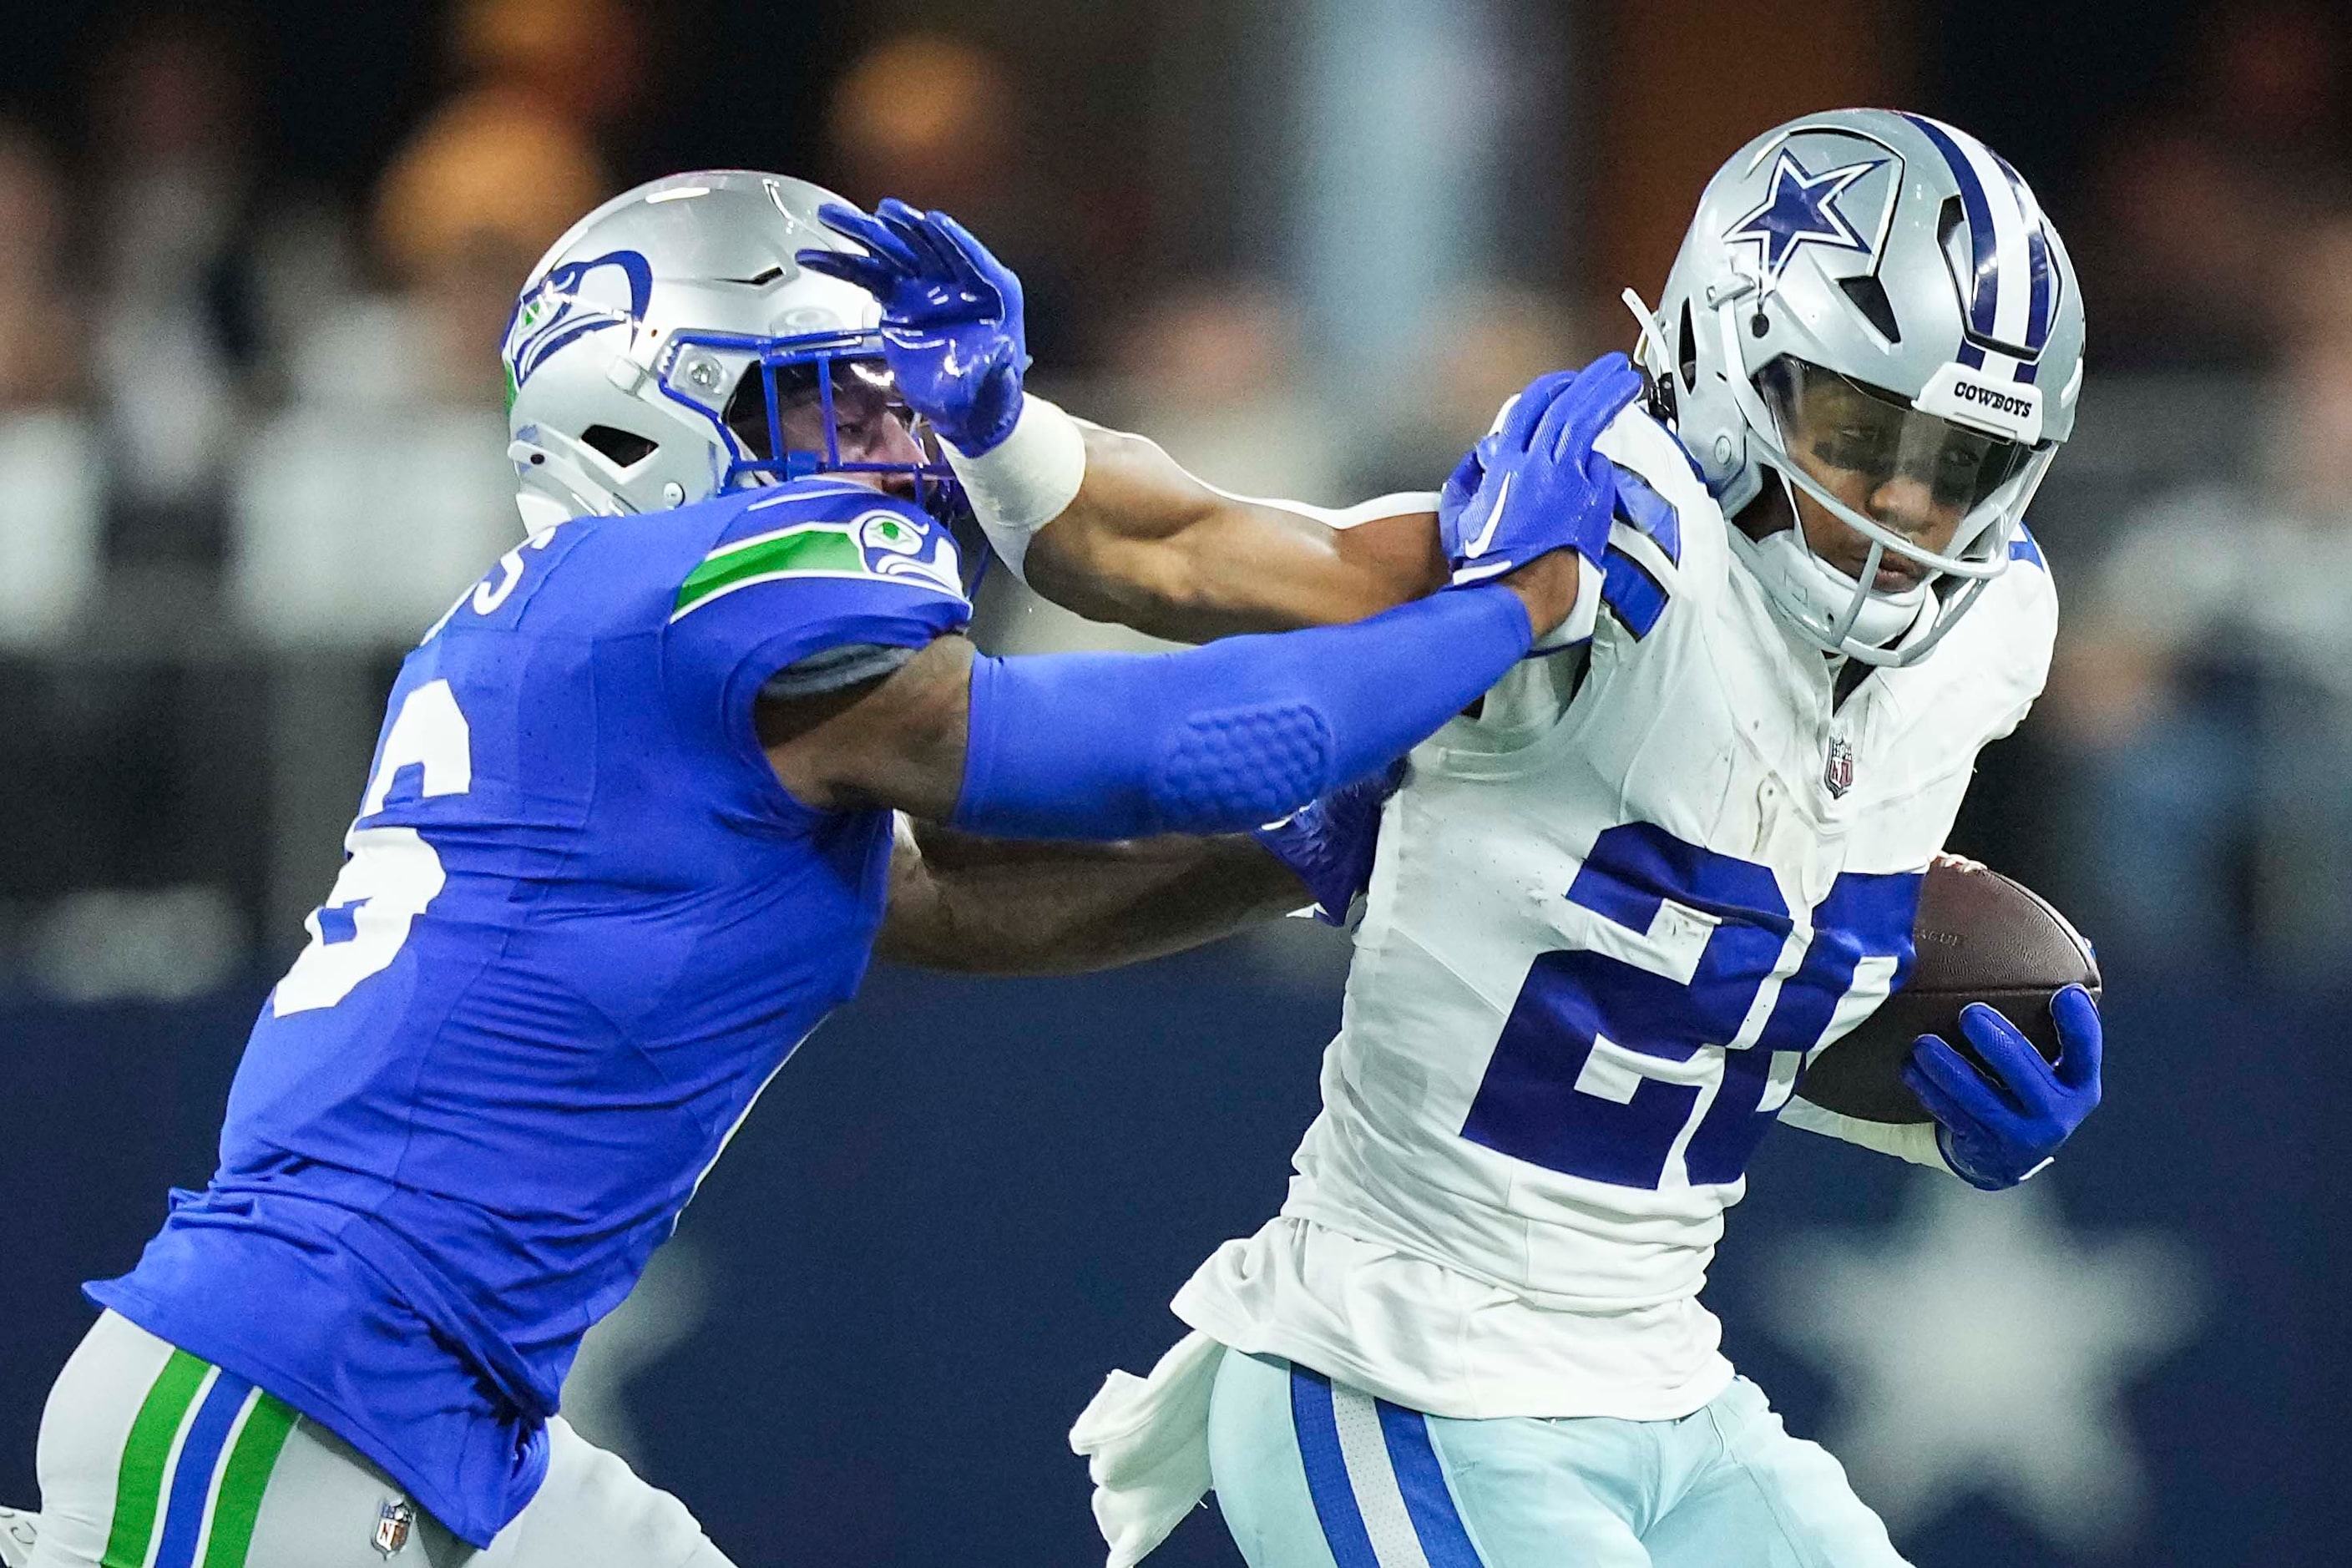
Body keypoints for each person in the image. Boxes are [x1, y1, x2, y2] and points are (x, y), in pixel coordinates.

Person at [18, 170, 1606, 1568]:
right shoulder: (680, 582)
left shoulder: (603, 649)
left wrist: (1291, 853)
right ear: (645, 417)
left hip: (430, 1402)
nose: (896, 446)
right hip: (295, 1398)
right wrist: (1504, 614)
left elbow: (950, 901)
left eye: (891, 404)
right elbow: (1155, 749)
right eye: (832, 402)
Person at [799, 108, 2105, 1566]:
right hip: (1404, 1377)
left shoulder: (1988, 637)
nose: (1907, 512)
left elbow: (1675, 995)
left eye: (1962, 463)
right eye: (1863, 436)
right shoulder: (1604, 564)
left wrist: (1923, 1108)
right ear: (1732, 364)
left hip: (1669, 1390)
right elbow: (1181, 548)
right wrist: (997, 423)